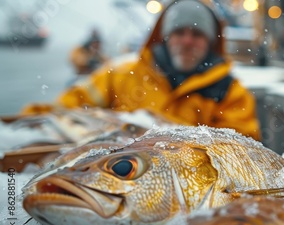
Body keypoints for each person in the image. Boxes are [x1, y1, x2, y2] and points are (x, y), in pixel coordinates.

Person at [24, 0, 261, 141]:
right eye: (179, 32)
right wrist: (23, 122)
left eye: (197, 34)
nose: (187, 41)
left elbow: (240, 150)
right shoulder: (118, 75)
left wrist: (153, 129)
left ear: (210, 42)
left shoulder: (230, 92)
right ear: (165, 37)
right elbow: (65, 108)